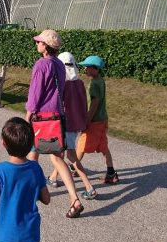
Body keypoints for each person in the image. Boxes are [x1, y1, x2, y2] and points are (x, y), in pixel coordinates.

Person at [26, 29, 84, 219]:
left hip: (42, 118)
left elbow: (35, 94)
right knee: (57, 159)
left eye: (39, 42)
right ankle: (74, 199)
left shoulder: (41, 65)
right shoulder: (59, 64)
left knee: (32, 157)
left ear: (46, 46)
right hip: (57, 116)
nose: (37, 44)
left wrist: (27, 117)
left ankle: (29, 194)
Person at [47, 52, 97, 200]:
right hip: (76, 124)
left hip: (64, 124)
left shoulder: (63, 84)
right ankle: (53, 177)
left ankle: (88, 186)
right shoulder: (80, 83)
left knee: (70, 156)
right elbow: (83, 104)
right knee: (59, 154)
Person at [76, 55, 119, 184]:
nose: (85, 70)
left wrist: (87, 120)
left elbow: (94, 103)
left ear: (96, 69)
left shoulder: (94, 84)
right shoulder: (101, 80)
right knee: (103, 146)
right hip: (103, 118)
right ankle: (111, 173)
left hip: (95, 120)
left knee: (81, 145)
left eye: (88, 67)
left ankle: (74, 168)